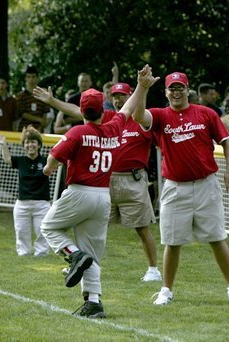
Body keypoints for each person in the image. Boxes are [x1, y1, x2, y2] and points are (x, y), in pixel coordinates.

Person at [38, 65, 158, 319]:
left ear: (82, 111)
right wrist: (142, 86)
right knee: (92, 252)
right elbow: (128, 108)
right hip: (103, 196)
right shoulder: (113, 129)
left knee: (49, 228)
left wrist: (48, 170)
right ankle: (93, 302)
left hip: (80, 192)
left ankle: (73, 255)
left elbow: (52, 160)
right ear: (102, 110)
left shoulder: (77, 132)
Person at [132, 71, 229, 307]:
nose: (176, 92)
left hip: (206, 184)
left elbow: (227, 141)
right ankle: (166, 290)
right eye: (171, 88)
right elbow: (138, 115)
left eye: (179, 88)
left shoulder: (205, 113)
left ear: (187, 89)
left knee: (217, 238)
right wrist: (142, 87)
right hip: (175, 187)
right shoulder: (161, 116)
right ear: (166, 92)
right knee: (172, 242)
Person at [0, 126, 50, 256]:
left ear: (39, 145)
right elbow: (7, 159)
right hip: (22, 204)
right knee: (21, 231)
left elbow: (58, 162)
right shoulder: (20, 161)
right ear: (24, 145)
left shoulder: (46, 160)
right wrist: (3, 145)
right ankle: (23, 253)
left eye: (33, 142)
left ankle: (41, 253)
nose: (30, 145)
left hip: (42, 204)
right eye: (27, 142)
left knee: (42, 230)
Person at [16, 66, 53, 132]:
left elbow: (45, 113)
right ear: (25, 78)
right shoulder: (20, 96)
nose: (31, 80)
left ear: (37, 78)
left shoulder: (42, 94)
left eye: (33, 77)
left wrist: (42, 125)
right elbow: (22, 114)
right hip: (24, 129)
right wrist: (39, 119)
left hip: (39, 130)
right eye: (29, 77)